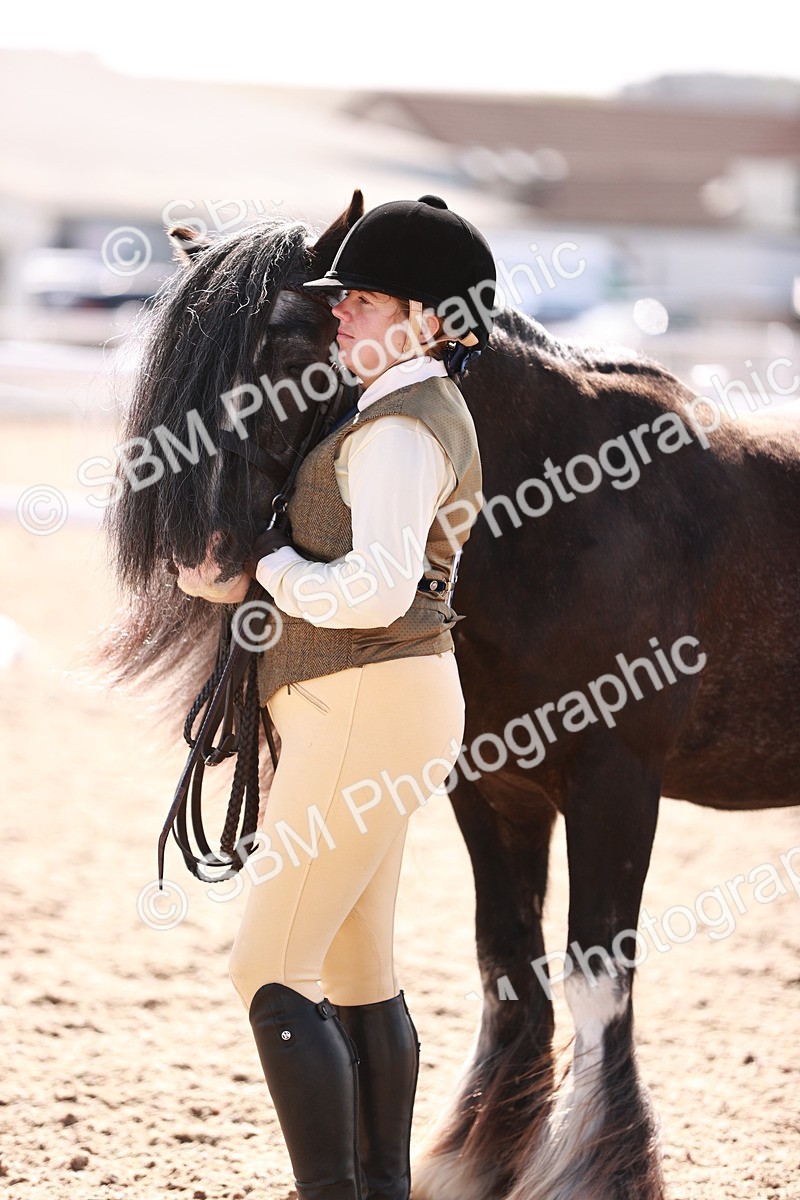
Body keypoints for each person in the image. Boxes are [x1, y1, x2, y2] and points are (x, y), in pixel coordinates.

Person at [183, 194, 496, 1200]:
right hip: (370, 706)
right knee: (358, 973)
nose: (341, 314)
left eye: (362, 298)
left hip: (366, 701)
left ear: (432, 318)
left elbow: (370, 592)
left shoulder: (399, 431)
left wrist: (267, 563)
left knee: (268, 969)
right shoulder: (391, 410)